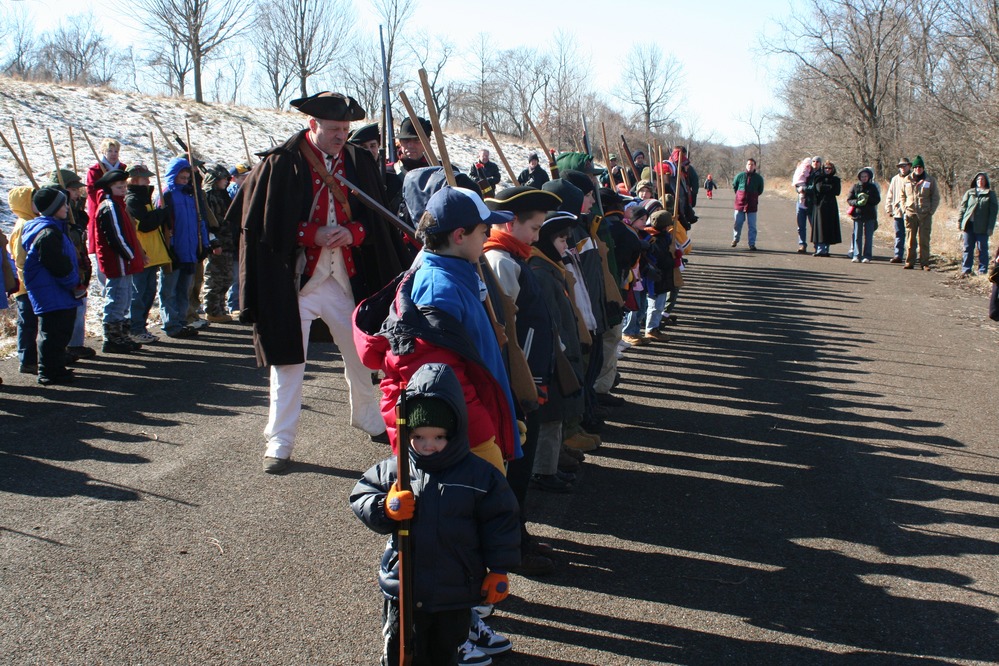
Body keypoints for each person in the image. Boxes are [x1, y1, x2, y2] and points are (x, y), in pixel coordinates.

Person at [232, 91, 410, 474]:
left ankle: (367, 416)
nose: (340, 135)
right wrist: (308, 234)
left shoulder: (360, 161)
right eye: (333, 129)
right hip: (295, 281)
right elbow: (262, 223)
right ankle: (279, 442)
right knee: (288, 363)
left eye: (345, 129)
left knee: (361, 354)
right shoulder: (282, 163)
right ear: (313, 125)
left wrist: (354, 232)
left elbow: (376, 217)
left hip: (344, 276)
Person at [350, 362, 521, 666]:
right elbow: (361, 494)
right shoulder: (397, 469)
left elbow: (501, 522)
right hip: (404, 585)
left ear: (455, 432)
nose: (428, 446)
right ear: (407, 432)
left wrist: (498, 569)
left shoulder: (480, 476)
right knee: (400, 651)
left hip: (454, 589)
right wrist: (386, 507)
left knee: (445, 652)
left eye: (439, 437)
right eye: (419, 437)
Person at [354, 185, 519, 471]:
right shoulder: (437, 290)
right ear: (459, 236)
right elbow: (437, 383)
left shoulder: (454, 275)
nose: (488, 238)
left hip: (473, 423)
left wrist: (501, 412)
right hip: (464, 441)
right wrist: (482, 436)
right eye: (483, 231)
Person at [20, 187, 85, 385]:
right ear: (53, 208)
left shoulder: (54, 228)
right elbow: (57, 264)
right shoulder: (47, 233)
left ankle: (56, 368)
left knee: (60, 330)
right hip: (51, 290)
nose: (67, 207)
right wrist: (72, 282)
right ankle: (48, 372)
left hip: (56, 290)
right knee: (53, 332)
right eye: (62, 204)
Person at [93, 169, 146, 352]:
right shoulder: (109, 206)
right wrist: (130, 255)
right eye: (119, 186)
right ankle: (112, 338)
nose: (123, 189)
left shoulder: (119, 205)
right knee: (116, 298)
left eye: (124, 186)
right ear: (109, 187)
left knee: (124, 299)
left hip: (125, 261)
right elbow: (115, 236)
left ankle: (122, 335)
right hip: (118, 261)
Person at [158, 157, 208, 339]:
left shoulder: (190, 195)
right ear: (173, 176)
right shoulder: (167, 195)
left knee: (184, 290)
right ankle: (170, 322)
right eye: (182, 178)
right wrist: (168, 248)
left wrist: (203, 245)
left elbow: (199, 220)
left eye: (187, 178)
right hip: (174, 251)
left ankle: (181, 320)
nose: (185, 181)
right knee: (169, 290)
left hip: (189, 250)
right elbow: (163, 225)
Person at [125, 164, 172, 343]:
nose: (148, 180)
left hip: (152, 253)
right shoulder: (133, 200)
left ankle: (140, 326)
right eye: (145, 178)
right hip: (142, 253)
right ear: (135, 180)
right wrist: (161, 214)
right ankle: (135, 328)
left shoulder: (144, 197)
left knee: (148, 292)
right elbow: (145, 224)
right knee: (139, 293)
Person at [898, 155, 940, 270]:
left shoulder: (930, 180)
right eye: (916, 167)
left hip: (925, 214)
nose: (918, 169)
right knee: (910, 240)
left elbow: (935, 197)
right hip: (911, 213)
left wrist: (931, 211)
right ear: (913, 168)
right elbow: (902, 196)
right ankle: (910, 262)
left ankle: (924, 263)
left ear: (923, 168)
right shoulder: (907, 180)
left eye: (920, 167)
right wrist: (904, 209)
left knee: (924, 240)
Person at [203, 164, 233, 323]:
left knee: (226, 278)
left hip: (227, 241)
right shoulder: (209, 196)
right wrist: (214, 242)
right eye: (223, 179)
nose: (226, 182)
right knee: (215, 279)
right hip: (217, 242)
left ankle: (220, 308)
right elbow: (209, 221)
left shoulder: (223, 194)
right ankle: (212, 310)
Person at [957, 172, 998, 276]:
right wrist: (960, 221)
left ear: (986, 181)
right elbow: (963, 208)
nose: (980, 181)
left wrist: (990, 227)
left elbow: (993, 213)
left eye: (983, 179)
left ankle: (982, 271)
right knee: (967, 248)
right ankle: (966, 270)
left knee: (982, 249)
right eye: (978, 179)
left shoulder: (990, 194)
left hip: (982, 227)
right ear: (975, 181)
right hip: (969, 225)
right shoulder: (970, 192)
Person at [847, 167, 881, 263]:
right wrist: (857, 202)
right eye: (862, 176)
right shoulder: (855, 186)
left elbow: (877, 200)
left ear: (869, 177)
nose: (864, 178)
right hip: (858, 214)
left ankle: (867, 256)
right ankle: (856, 255)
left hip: (870, 215)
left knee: (868, 236)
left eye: (866, 176)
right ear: (859, 177)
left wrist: (867, 199)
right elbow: (849, 199)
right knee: (857, 235)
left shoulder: (873, 187)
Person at [809, 160, 842, 257]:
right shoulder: (818, 178)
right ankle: (820, 248)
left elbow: (837, 191)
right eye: (826, 168)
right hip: (820, 205)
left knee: (829, 227)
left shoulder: (836, 179)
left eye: (829, 168)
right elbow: (819, 188)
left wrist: (827, 187)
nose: (827, 170)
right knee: (820, 227)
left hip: (831, 206)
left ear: (833, 169)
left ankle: (826, 249)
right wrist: (830, 187)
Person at [731, 158, 764, 250]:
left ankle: (752, 243)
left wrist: (753, 196)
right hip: (740, 203)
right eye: (749, 164)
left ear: (755, 166)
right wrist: (740, 195)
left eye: (752, 164)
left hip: (752, 204)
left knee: (752, 225)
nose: (750, 166)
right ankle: (735, 239)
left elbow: (760, 190)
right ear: (746, 165)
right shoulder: (740, 176)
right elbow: (735, 186)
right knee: (738, 223)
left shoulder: (759, 178)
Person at [883, 157, 911, 263]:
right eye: (901, 166)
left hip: (909, 211)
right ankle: (898, 255)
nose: (903, 168)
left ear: (909, 166)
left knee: (910, 234)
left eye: (904, 166)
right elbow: (890, 194)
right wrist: (888, 208)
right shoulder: (895, 179)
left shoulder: (913, 178)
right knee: (899, 233)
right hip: (897, 211)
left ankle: (910, 256)